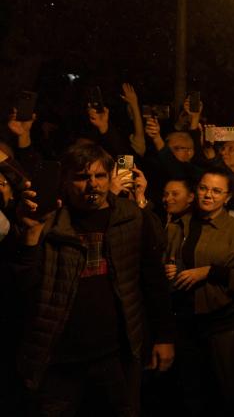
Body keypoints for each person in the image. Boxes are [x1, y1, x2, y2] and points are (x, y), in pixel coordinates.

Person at [9, 142, 175, 415]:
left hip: (116, 355)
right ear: (65, 181)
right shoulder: (49, 222)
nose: (93, 185)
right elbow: (23, 286)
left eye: (100, 176)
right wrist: (29, 236)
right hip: (60, 359)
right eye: (82, 177)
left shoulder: (130, 217)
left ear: (111, 178)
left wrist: (164, 336)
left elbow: (152, 279)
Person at [164, 170, 234, 415]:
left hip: (223, 324)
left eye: (217, 191)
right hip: (185, 323)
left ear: (227, 198)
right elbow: (168, 259)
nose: (208, 195)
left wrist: (211, 272)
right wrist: (168, 268)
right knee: (189, 397)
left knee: (224, 397)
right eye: (204, 188)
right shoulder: (180, 224)